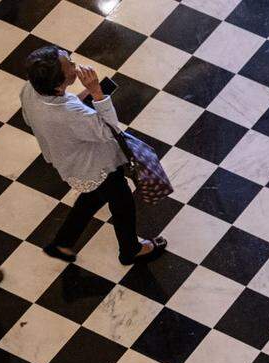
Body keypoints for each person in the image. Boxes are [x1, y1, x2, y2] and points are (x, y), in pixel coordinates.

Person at [20, 46, 166, 266]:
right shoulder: (70, 114)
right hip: (97, 165)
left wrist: (81, 98)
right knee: (122, 200)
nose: (72, 62)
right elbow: (108, 129)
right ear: (60, 82)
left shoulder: (30, 89)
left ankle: (62, 243)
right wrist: (97, 92)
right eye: (68, 63)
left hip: (69, 160)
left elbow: (43, 116)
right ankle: (130, 250)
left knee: (94, 196)